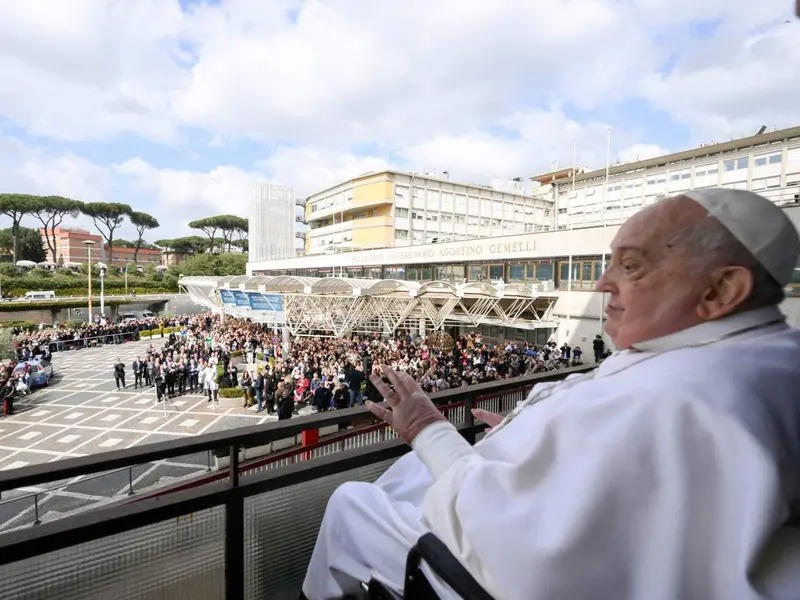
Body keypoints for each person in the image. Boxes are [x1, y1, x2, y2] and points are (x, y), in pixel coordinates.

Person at [301, 188, 800, 600]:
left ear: (721, 290)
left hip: (488, 570)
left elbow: (522, 549)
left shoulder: (681, 395)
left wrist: (426, 428)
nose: (602, 284)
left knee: (352, 503)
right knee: (412, 472)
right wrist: (535, 438)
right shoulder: (756, 356)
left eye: (631, 266)